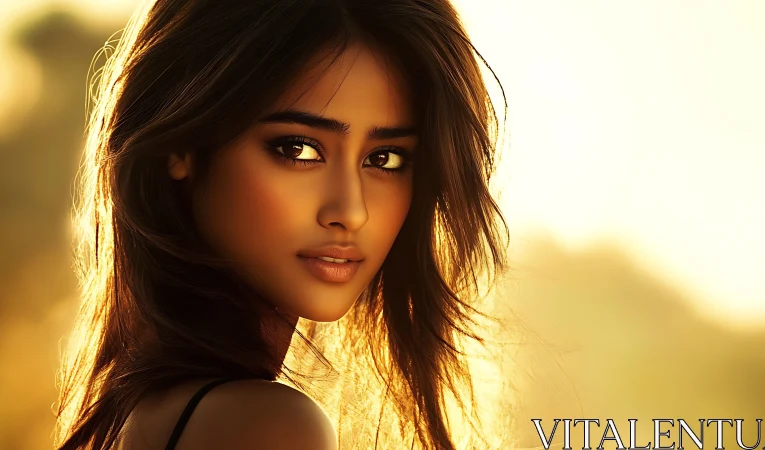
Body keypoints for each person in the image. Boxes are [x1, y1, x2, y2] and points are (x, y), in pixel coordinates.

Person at [54, 0, 509, 448]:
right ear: (183, 146)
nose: (351, 211)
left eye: (384, 159)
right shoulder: (267, 426)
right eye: (298, 149)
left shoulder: (137, 411)